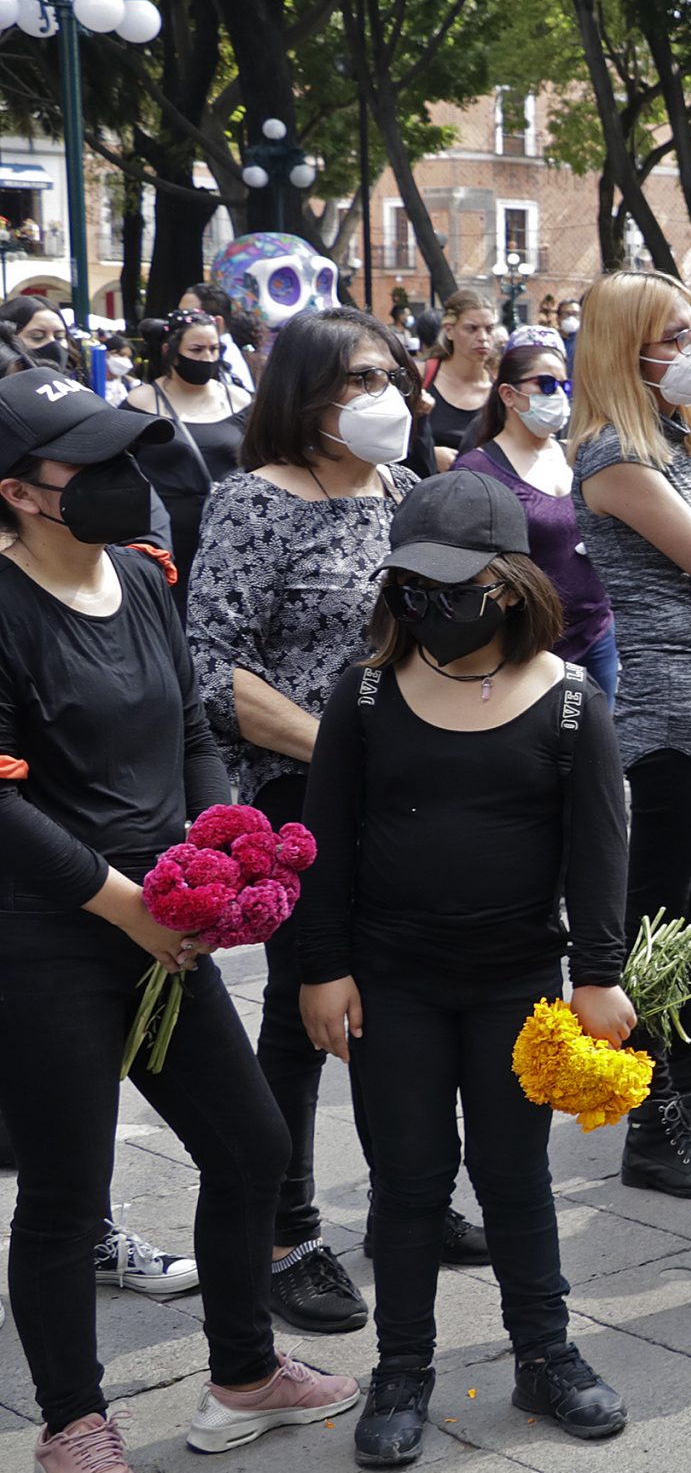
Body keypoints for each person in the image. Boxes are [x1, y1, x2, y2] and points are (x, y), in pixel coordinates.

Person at [0, 368, 362, 1473]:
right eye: (89, 464)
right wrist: (126, 902)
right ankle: (73, 1426)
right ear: (20, 492)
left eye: (126, 453)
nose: (123, 480)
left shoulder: (144, 577)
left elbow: (197, 725)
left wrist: (225, 845)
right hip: (54, 931)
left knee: (250, 1148)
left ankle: (243, 1374)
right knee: (67, 1189)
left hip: (168, 921)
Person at [295, 473, 633, 1465]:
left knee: (515, 1176)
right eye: (412, 587)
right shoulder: (363, 693)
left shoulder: (569, 703)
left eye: (455, 588)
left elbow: (598, 849)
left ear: (510, 584)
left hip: (513, 984)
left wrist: (598, 972)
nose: (432, 609)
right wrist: (324, 968)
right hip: (391, 982)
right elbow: (328, 836)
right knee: (406, 1185)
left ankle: (546, 1353)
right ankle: (402, 1370)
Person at [188, 308, 467, 1336]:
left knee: (406, 997)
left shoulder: (401, 493)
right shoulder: (253, 503)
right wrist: (335, 747)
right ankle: (284, 1232)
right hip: (305, 796)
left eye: (393, 373)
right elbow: (210, 665)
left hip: (415, 788)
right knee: (306, 1016)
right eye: (360, 377)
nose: (385, 393)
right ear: (305, 392)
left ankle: (414, 1195)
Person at [569, 269, 691, 1201]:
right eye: (675, 335)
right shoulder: (615, 456)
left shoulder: (690, 435)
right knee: (657, 921)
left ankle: (687, 1080)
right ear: (624, 350)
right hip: (669, 709)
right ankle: (651, 1122)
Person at [456, 327, 618, 697]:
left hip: (597, 632)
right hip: (527, 645)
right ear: (509, 395)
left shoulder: (575, 453)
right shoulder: (476, 471)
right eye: (545, 384)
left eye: (564, 385)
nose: (558, 395)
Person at [124, 310, 253, 582]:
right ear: (170, 350)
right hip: (167, 542)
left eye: (214, 349)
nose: (207, 358)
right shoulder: (141, 403)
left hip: (230, 540)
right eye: (196, 349)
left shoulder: (240, 400)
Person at [418, 289, 504, 467]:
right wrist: (429, 453)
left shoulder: (502, 387)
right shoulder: (422, 376)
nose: (482, 338)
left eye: (489, 329)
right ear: (449, 331)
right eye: (472, 328)